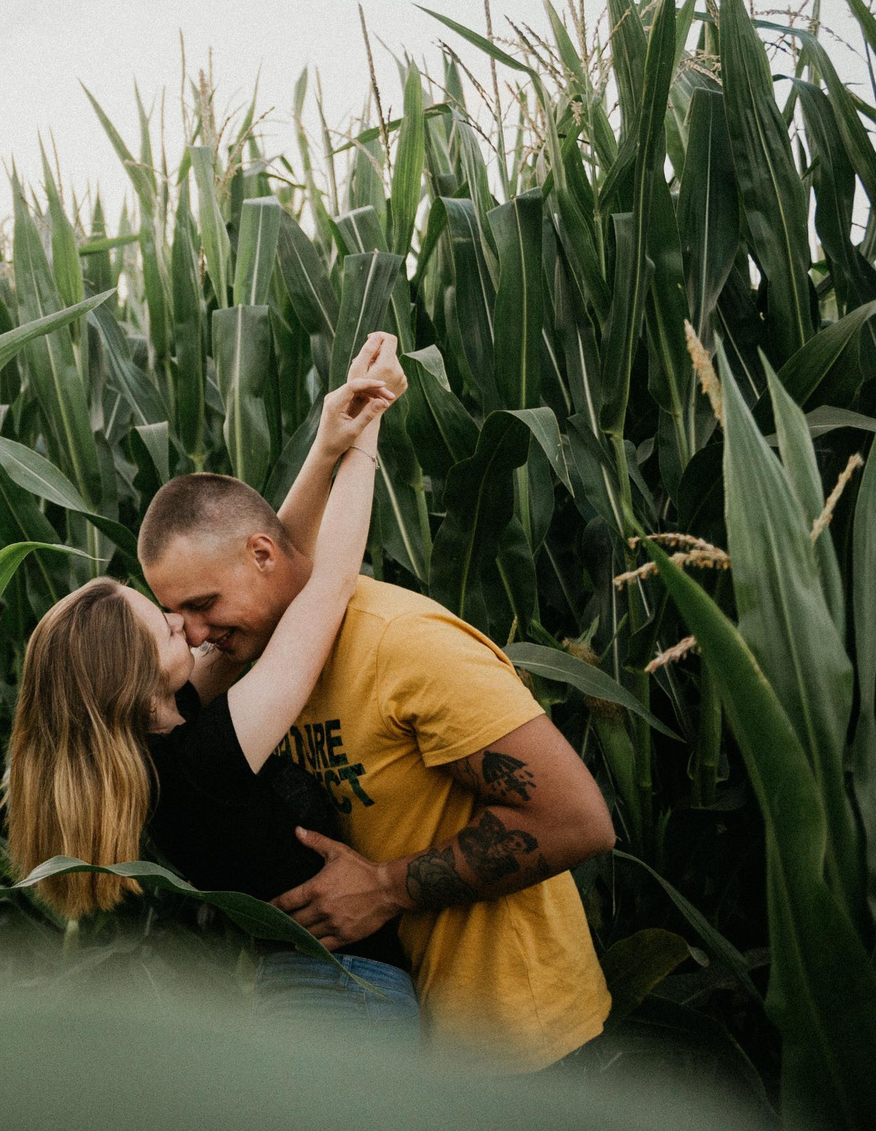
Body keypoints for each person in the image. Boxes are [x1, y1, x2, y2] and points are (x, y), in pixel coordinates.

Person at [141, 383, 617, 1071]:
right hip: (399, 1030)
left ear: (263, 555)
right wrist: (331, 451)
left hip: (517, 1034)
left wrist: (388, 887)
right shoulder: (261, 666)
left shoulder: (403, 643)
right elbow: (289, 562)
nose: (193, 634)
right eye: (176, 615)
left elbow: (579, 820)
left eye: (203, 604)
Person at [6, 332, 411, 1027]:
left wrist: (325, 445)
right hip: (346, 996)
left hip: (305, 989)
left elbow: (267, 560)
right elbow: (326, 586)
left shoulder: (164, 744)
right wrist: (369, 430)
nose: (187, 628)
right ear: (134, 686)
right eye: (165, 628)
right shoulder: (206, 760)